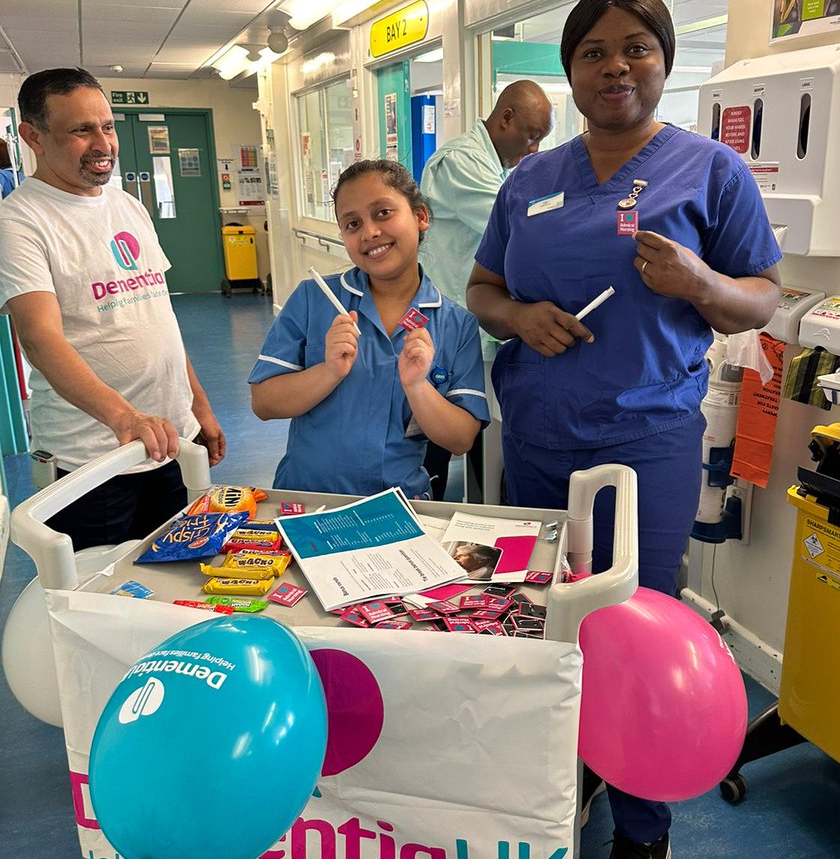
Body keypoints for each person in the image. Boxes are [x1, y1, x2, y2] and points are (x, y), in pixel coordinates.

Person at [467, 0, 782, 859]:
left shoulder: (711, 172)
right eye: (595, 52)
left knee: (638, 628)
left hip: (647, 436)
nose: (616, 66)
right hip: (541, 432)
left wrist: (699, 281)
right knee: (548, 619)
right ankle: (573, 770)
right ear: (567, 74)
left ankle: (643, 833)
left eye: (636, 47)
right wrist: (519, 316)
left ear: (664, 59)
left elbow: (763, 299)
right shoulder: (530, 179)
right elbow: (482, 287)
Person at [0, 68, 225, 549]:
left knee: (175, 580)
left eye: (107, 126)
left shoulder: (127, 205)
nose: (103, 143)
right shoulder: (19, 220)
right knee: (100, 595)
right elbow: (41, 338)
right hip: (94, 459)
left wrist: (197, 404)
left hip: (170, 442)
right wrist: (125, 418)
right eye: (82, 130)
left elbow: (159, 316)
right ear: (33, 136)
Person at [249, 159, 490, 498]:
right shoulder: (314, 299)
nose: (369, 232)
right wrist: (329, 372)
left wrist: (418, 387)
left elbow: (461, 438)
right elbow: (264, 402)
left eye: (382, 213)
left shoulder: (456, 325)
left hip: (398, 504)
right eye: (352, 223)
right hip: (308, 498)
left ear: (421, 217)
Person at [420, 80, 553, 496]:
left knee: (474, 431)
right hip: (449, 325)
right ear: (505, 117)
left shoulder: (493, 166)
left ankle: (469, 517)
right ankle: (430, 526)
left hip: (473, 328)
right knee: (437, 437)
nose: (533, 150)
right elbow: (519, 224)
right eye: (531, 137)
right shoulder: (462, 161)